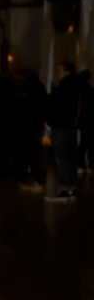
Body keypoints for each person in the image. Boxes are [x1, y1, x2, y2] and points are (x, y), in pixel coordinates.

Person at [46, 61, 83, 198]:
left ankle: (66, 189)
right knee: (67, 157)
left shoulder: (65, 87)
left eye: (60, 69)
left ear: (67, 71)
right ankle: (68, 187)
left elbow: (58, 106)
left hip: (61, 125)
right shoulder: (70, 86)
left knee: (63, 158)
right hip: (66, 125)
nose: (57, 72)